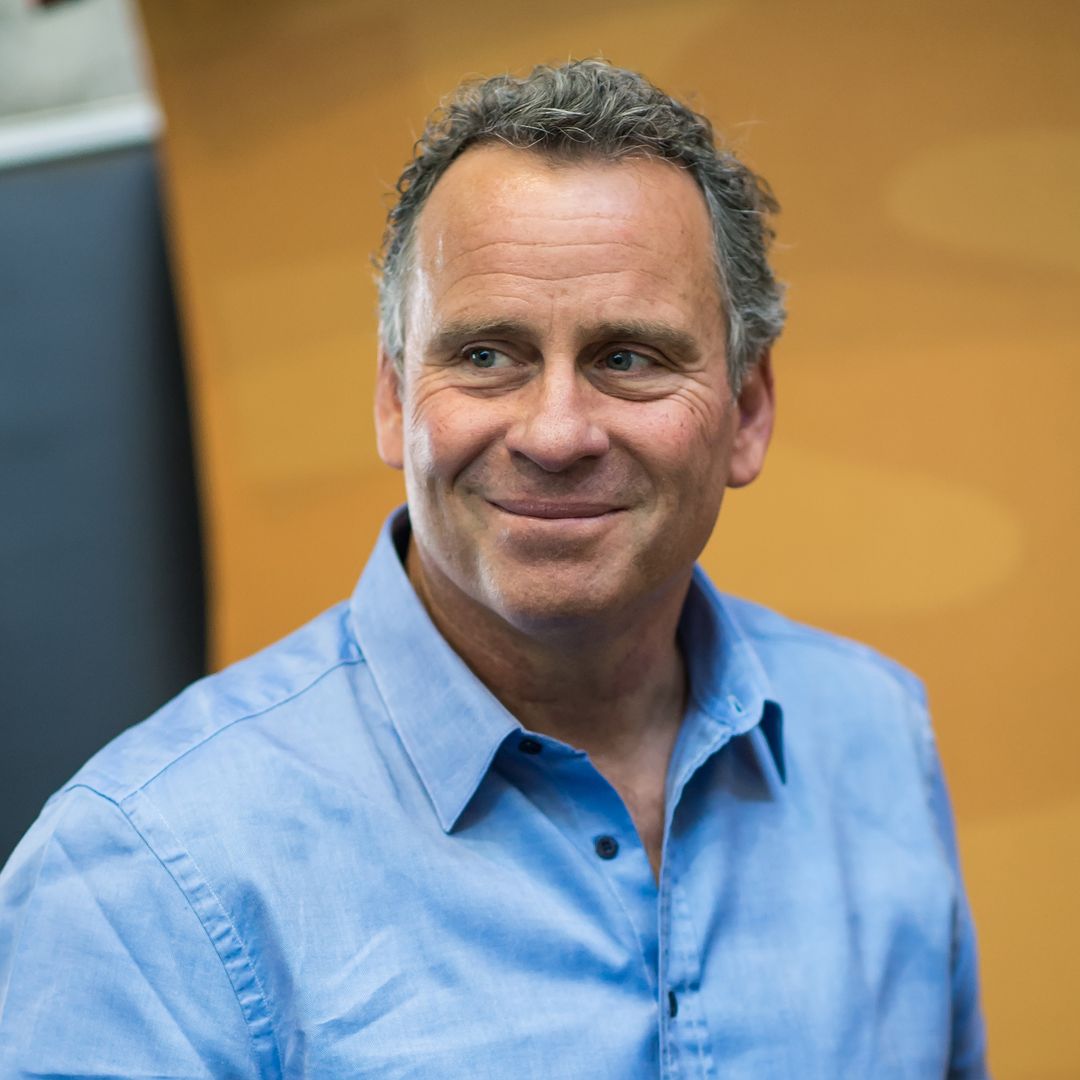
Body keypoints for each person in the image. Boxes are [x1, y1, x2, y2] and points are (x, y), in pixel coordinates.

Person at [0, 60, 987, 1078]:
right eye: (485, 355)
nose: (556, 432)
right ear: (393, 401)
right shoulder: (141, 876)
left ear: (748, 410)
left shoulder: (873, 739)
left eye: (629, 358)